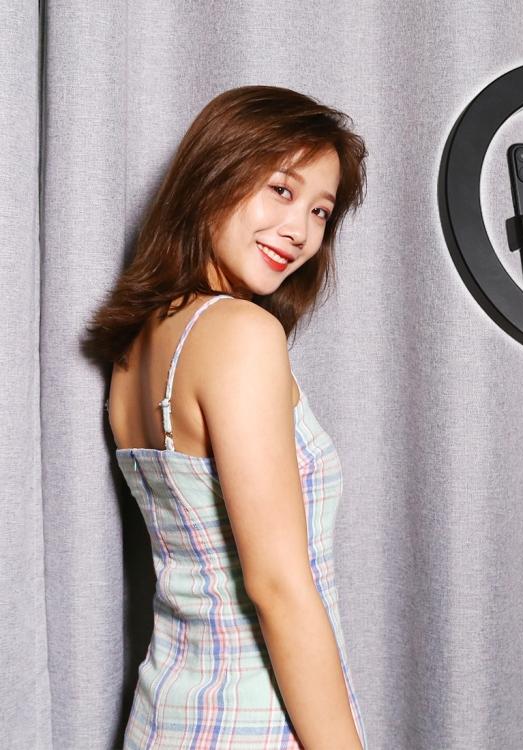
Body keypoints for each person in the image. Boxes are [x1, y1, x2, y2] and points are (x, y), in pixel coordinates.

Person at [83, 85, 368, 749]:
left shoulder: (139, 344)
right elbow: (277, 588)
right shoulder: (240, 333)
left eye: (320, 211)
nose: (300, 231)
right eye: (281, 189)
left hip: (167, 715)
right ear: (214, 174)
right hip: (254, 722)